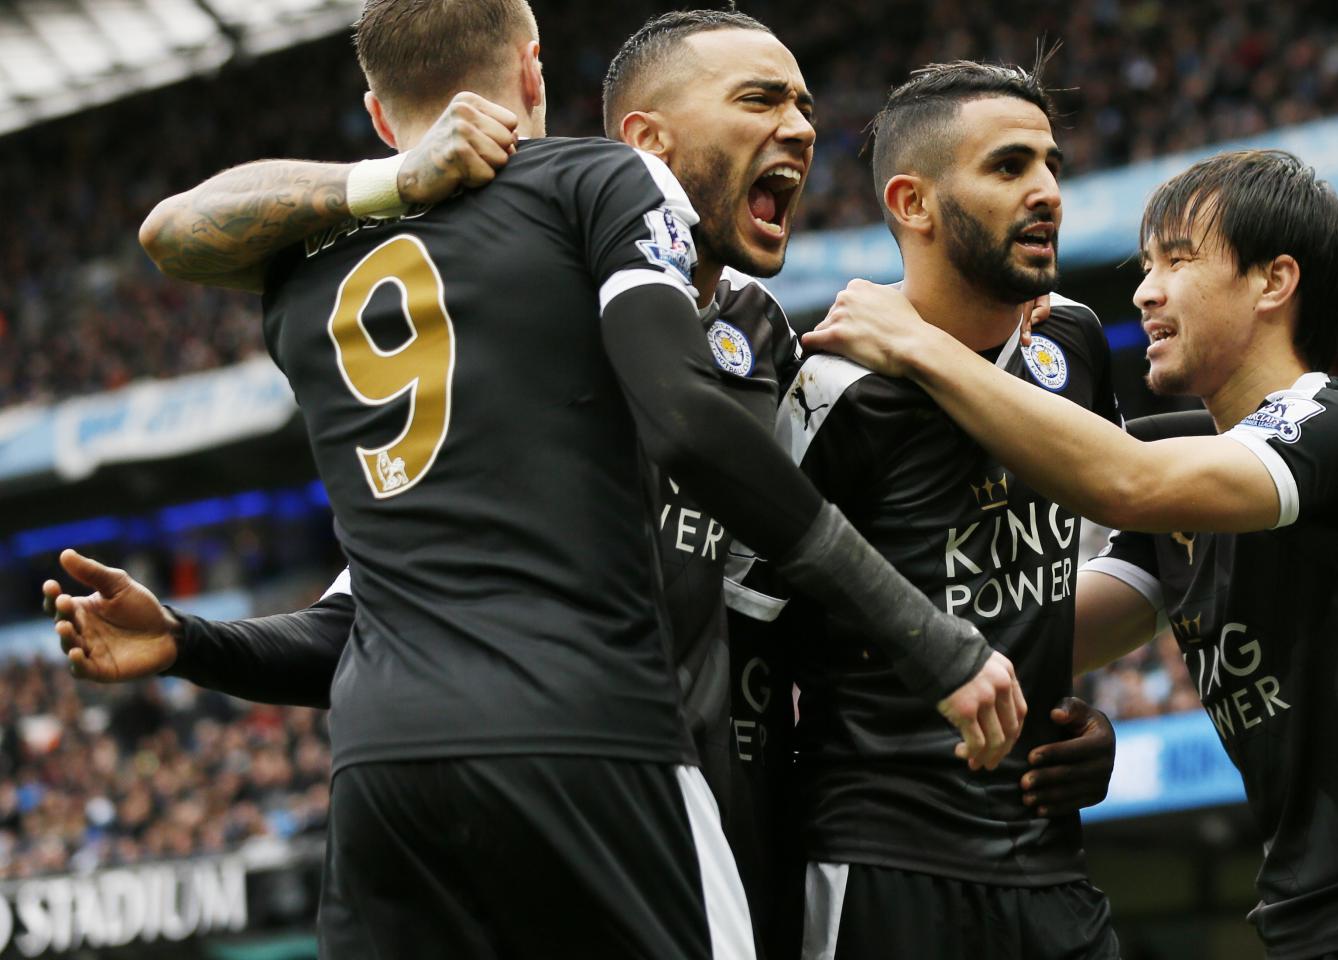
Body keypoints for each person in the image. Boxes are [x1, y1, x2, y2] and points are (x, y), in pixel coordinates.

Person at [88, 1, 1036, 956]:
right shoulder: (589, 205)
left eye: (804, 104)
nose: (798, 126)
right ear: (537, 74)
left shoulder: (329, 272)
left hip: (406, 770)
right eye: (760, 100)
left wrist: (188, 643)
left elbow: (177, 230)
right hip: (615, 763)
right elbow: (692, 429)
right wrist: (936, 646)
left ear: (378, 115)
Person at [805, 148, 1338, 959]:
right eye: (1145, 265)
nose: (1144, 291)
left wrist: (921, 344)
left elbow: (1123, 480)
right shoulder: (1196, 468)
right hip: (1310, 922)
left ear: (1274, 282)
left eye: (1178, 261)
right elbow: (1035, 629)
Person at [726, 60, 1122, 959]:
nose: (1047, 191)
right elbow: (747, 633)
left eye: (1051, 165)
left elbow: (1120, 540)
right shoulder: (837, 391)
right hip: (883, 870)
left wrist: (1081, 714)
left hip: (1054, 867)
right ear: (913, 204)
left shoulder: (1074, 341)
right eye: (1009, 166)